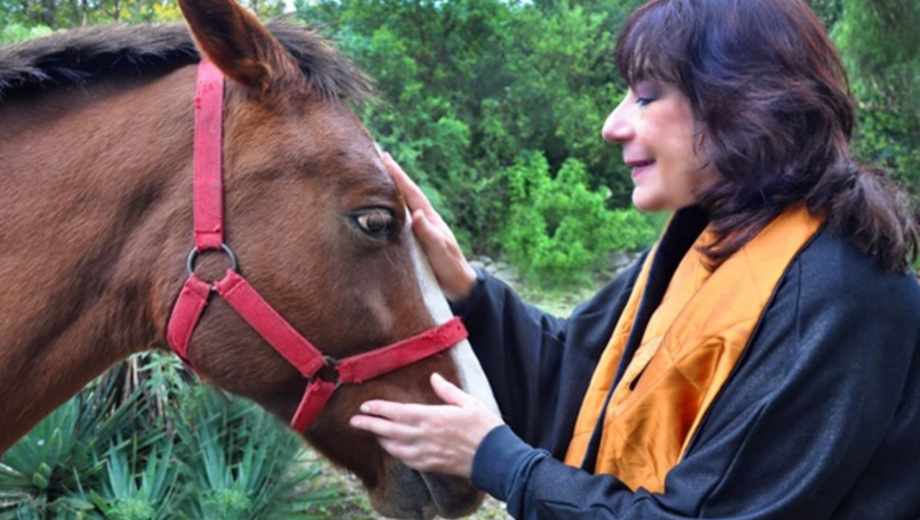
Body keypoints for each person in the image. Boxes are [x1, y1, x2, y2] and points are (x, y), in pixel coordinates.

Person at [350, 0, 920, 518]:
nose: (612, 126)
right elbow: (579, 376)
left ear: (742, 100)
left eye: (646, 97)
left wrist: (498, 461)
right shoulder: (710, 238)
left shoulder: (835, 293)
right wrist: (468, 290)